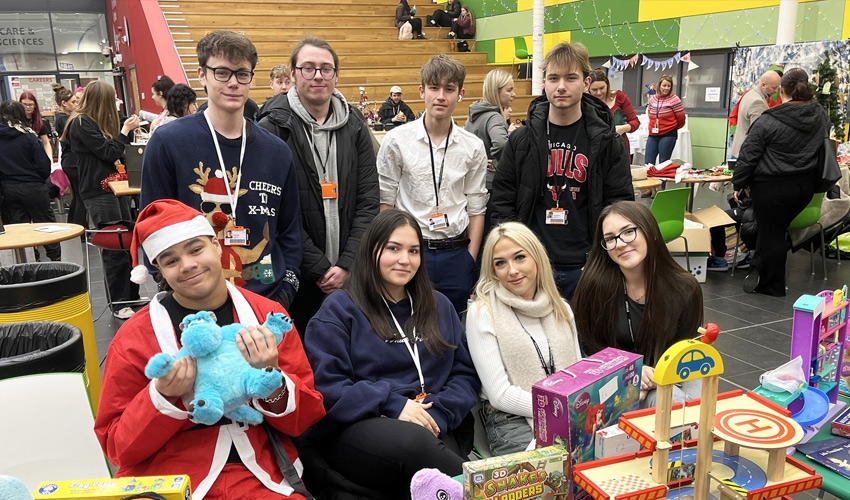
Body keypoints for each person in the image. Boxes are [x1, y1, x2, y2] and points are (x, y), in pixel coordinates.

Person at [94, 198, 325, 500]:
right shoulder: (134, 338)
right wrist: (161, 397)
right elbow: (117, 447)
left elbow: (304, 420)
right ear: (159, 270)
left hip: (261, 467)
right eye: (170, 260)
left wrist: (274, 383)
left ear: (216, 246)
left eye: (195, 249)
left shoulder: (265, 316)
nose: (188, 265)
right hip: (168, 475)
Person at [304, 209, 480, 498]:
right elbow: (328, 387)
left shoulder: (439, 305)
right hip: (360, 427)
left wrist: (439, 412)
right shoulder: (340, 309)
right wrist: (392, 404)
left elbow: (464, 375)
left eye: (413, 251)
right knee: (417, 447)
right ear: (371, 250)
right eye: (393, 248)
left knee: (430, 478)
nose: (404, 260)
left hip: (431, 421)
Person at [142, 30, 303, 310]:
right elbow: (152, 225)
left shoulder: (277, 151)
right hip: (194, 302)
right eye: (222, 73)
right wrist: (174, 290)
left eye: (242, 74)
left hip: (265, 299)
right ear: (202, 75)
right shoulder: (168, 142)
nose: (233, 83)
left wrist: (287, 289)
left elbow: (290, 231)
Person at [488, 42, 633, 301]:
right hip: (533, 266)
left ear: (586, 83)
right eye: (554, 78)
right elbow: (502, 201)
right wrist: (517, 256)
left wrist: (602, 259)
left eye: (571, 78)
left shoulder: (607, 142)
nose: (561, 86)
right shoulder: (522, 140)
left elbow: (620, 205)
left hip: (587, 266)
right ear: (544, 83)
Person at [257, 36, 379, 335]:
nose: (318, 76)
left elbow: (368, 199)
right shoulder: (272, 128)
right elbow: (272, 211)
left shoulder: (355, 125)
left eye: (326, 69)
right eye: (308, 68)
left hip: (349, 276)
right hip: (295, 277)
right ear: (293, 73)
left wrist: (347, 264)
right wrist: (321, 269)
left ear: (335, 75)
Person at [377, 54, 488, 316]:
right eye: (434, 88)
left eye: (449, 89)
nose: (441, 96)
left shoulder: (473, 146)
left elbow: (476, 206)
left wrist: (469, 257)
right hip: (411, 251)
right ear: (422, 91)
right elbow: (386, 202)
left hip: (456, 252)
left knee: (453, 326)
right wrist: (389, 251)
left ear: (460, 94)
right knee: (406, 322)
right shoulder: (396, 141)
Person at [572, 201, 703, 407]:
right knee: (669, 404)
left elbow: (685, 352)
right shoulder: (594, 285)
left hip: (670, 374)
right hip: (611, 378)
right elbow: (588, 348)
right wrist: (630, 373)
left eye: (628, 232)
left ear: (649, 231)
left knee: (683, 403)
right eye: (610, 238)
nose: (620, 243)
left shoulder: (685, 288)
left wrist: (651, 379)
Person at [466, 222, 581, 454]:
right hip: (511, 420)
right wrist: (558, 409)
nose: (512, 270)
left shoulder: (561, 308)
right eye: (500, 263)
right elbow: (499, 395)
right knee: (553, 470)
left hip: (567, 412)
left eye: (520, 257)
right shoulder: (482, 312)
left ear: (537, 257)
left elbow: (579, 376)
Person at [732, 67, 828, 296]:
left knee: (773, 234)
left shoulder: (769, 119)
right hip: (805, 187)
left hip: (772, 188)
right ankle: (758, 268)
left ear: (781, 90)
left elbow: (749, 155)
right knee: (772, 230)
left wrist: (739, 184)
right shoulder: (820, 115)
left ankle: (772, 286)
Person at [62, 81, 141, 318]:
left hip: (112, 187)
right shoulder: (81, 123)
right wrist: (124, 131)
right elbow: (108, 152)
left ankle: (130, 296)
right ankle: (119, 302)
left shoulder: (90, 121)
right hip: (98, 190)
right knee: (114, 245)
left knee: (126, 243)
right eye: (112, 99)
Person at [0, 100, 60, 261]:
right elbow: (43, 166)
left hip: (8, 190)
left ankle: (31, 261)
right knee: (46, 226)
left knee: (20, 231)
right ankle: (56, 261)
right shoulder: (28, 137)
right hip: (34, 188)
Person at [465, 69, 515, 188]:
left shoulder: (472, 116)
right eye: (509, 90)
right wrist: (496, 163)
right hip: (492, 182)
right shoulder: (495, 117)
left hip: (473, 180)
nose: (514, 94)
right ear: (496, 92)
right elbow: (501, 145)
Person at [53, 83, 87, 228]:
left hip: (70, 161)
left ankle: (73, 225)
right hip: (73, 162)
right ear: (64, 103)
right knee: (82, 197)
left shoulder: (63, 117)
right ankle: (80, 228)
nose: (76, 104)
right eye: (73, 102)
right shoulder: (64, 119)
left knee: (78, 196)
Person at [588, 69, 639, 160]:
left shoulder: (619, 97)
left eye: (602, 88)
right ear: (588, 88)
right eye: (594, 90)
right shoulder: (586, 102)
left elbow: (635, 122)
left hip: (619, 148)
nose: (599, 93)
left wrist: (622, 128)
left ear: (607, 85)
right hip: (596, 150)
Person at [729, 70, 781, 158]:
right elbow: (758, 134)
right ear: (763, 85)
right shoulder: (757, 102)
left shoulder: (750, 94)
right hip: (748, 154)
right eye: (774, 88)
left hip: (740, 150)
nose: (776, 91)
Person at [644, 74, 685, 166]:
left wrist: (672, 127)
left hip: (668, 134)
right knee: (648, 162)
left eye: (669, 86)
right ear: (659, 86)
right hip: (653, 134)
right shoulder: (653, 99)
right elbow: (650, 114)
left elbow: (681, 118)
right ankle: (650, 176)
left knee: (663, 162)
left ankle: (663, 177)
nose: (666, 88)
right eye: (664, 85)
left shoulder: (675, 99)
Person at [19, 91, 53, 160]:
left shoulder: (39, 121)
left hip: (36, 155)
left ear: (35, 105)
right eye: (24, 104)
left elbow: (46, 142)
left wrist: (49, 159)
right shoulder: (16, 120)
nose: (27, 107)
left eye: (30, 105)